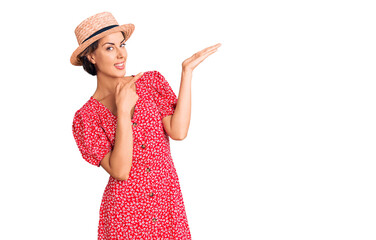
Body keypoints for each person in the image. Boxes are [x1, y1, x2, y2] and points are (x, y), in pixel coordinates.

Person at [70, 12, 221, 239]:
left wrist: (186, 73)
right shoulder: (87, 117)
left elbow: (178, 132)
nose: (121, 54)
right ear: (91, 56)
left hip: (165, 201)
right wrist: (122, 111)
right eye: (109, 48)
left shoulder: (150, 83)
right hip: (125, 212)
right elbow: (120, 171)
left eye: (122, 44)